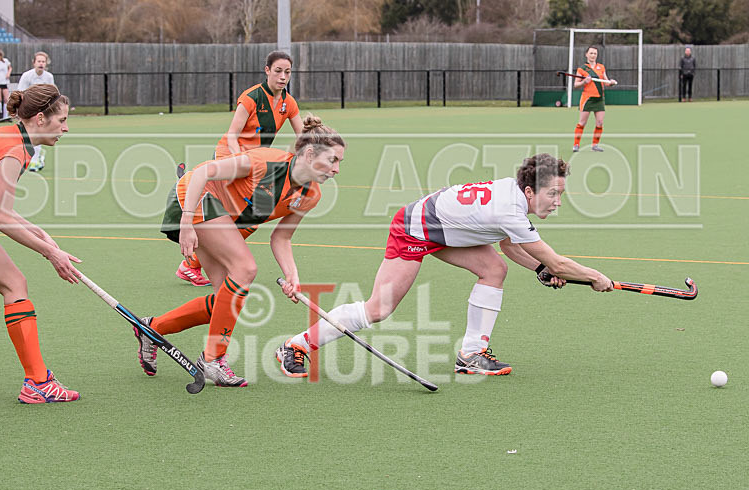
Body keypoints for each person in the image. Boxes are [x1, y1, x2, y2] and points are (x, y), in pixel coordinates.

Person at [275, 153, 613, 379]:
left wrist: (539, 270)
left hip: (445, 230)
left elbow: (510, 245)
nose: (556, 202)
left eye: (560, 196)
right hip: (413, 228)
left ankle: (470, 354)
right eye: (553, 194)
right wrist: (594, 277)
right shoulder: (510, 208)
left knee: (494, 269)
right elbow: (555, 260)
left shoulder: (512, 198)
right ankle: (296, 345)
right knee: (378, 309)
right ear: (529, 190)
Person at [134, 115, 344, 387]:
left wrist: (292, 276)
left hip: (219, 218)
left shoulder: (311, 195)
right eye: (333, 160)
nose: (337, 169)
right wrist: (187, 221)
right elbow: (201, 173)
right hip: (194, 198)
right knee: (246, 269)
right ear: (310, 153)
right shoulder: (265, 161)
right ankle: (213, 359)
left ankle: (152, 329)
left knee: (225, 303)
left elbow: (282, 238)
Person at [0, 83, 81, 403]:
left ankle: (37, 381)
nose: (65, 127)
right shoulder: (16, 149)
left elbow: (2, 210)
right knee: (15, 285)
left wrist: (40, 234)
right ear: (39, 118)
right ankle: (37, 382)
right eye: (61, 120)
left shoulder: (6, 136)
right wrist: (52, 254)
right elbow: (2, 219)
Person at [176, 50, 303, 287]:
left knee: (252, 220)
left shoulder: (289, 103)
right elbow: (232, 135)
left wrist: (317, 154)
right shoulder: (251, 97)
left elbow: (303, 137)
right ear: (267, 71)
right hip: (232, 157)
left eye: (287, 72)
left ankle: (192, 264)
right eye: (278, 71)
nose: (283, 77)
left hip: (260, 166)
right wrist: (238, 163)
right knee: (231, 215)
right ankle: (193, 262)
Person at [572, 46, 616, 153]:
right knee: (582, 123)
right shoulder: (582, 69)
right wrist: (584, 82)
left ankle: (595, 145)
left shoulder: (601, 67)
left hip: (599, 99)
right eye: (591, 53)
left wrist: (611, 83)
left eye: (595, 53)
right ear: (586, 54)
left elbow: (605, 81)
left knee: (600, 123)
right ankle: (576, 145)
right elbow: (576, 84)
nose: (593, 55)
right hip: (587, 99)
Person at [17, 52, 55, 171]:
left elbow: (52, 94)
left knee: (38, 134)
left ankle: (35, 159)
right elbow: (20, 93)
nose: (41, 64)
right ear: (34, 62)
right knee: (26, 135)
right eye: (39, 61)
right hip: (28, 110)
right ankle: (30, 158)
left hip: (41, 111)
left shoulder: (49, 77)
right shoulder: (27, 76)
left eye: (43, 61)